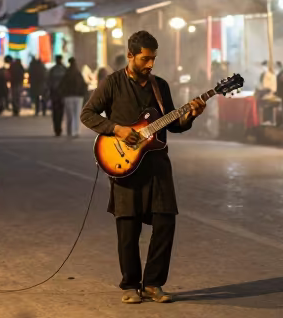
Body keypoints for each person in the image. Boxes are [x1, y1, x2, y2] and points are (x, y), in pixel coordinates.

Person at [80, 29, 206, 303]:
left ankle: (153, 284)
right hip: (123, 163)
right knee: (128, 227)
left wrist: (191, 116)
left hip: (157, 165)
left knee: (165, 222)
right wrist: (117, 129)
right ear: (130, 56)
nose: (150, 65)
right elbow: (87, 114)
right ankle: (130, 285)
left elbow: (173, 123)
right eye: (145, 59)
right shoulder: (112, 83)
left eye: (154, 59)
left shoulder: (160, 86)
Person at [60, 58, 88, 136]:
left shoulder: (67, 73)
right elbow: (84, 85)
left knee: (70, 115)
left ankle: (70, 131)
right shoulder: (78, 73)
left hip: (68, 96)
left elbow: (62, 85)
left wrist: (62, 94)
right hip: (78, 97)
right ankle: (76, 131)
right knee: (77, 114)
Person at [47, 54, 67, 136]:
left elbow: (48, 82)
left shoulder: (52, 70)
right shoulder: (65, 69)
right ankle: (58, 128)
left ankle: (57, 128)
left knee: (55, 112)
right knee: (60, 112)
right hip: (61, 94)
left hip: (55, 94)